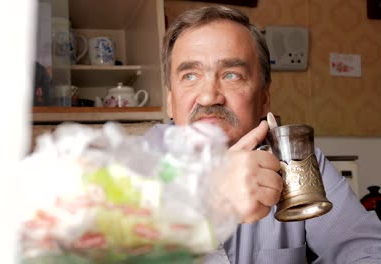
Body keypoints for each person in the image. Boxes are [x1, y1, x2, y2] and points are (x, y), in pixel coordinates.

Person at [143, 6, 381, 263]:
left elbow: (365, 249)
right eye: (190, 75)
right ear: (170, 101)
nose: (209, 96)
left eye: (231, 75)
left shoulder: (296, 160)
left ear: (264, 98)